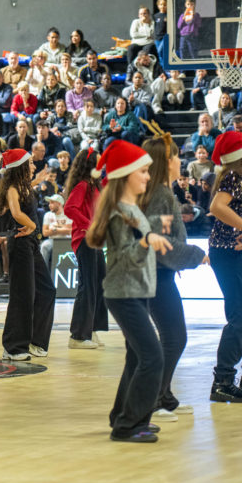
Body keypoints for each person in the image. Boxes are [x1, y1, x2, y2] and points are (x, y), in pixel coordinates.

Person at [85, 139, 172, 443]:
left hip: (136, 292)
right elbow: (122, 256)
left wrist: (154, 233)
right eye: (144, 172)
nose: (148, 177)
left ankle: (123, 416)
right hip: (123, 294)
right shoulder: (119, 214)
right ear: (126, 175)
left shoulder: (131, 209)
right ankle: (129, 426)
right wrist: (147, 242)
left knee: (137, 357)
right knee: (153, 357)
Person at [138, 133, 206, 422]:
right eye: (177, 156)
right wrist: (194, 254)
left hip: (153, 274)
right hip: (155, 275)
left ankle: (163, 395)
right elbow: (161, 243)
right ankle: (154, 399)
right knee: (174, 338)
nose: (181, 160)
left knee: (170, 337)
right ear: (165, 162)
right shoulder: (162, 195)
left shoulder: (158, 192)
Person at [207, 131, 242, 402]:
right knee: (241, 316)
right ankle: (223, 381)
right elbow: (217, 206)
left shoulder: (240, 177)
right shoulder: (235, 178)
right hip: (229, 254)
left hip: (240, 255)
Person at [0, 148, 56, 361]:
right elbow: (16, 212)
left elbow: (28, 189)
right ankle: (13, 347)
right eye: (30, 163)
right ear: (20, 167)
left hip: (31, 244)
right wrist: (32, 225)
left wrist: (38, 179)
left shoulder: (23, 186)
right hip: (20, 243)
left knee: (47, 290)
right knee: (23, 296)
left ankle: (35, 342)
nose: (33, 166)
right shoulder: (12, 188)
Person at [64, 148, 107, 349]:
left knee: (99, 284)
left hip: (95, 241)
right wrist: (88, 225)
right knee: (87, 285)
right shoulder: (82, 185)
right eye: (98, 163)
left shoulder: (95, 185)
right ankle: (78, 336)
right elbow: (69, 208)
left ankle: (92, 329)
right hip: (84, 240)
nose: (101, 166)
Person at [40, 194, 72, 272]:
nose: (49, 205)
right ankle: (44, 274)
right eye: (49, 203)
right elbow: (45, 233)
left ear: (59, 204)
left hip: (66, 240)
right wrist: (62, 228)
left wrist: (54, 229)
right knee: (44, 246)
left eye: (52, 203)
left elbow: (69, 231)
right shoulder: (47, 215)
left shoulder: (67, 213)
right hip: (52, 241)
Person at [153, 0, 168, 69]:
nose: (163, 6)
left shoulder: (168, 16)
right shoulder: (155, 16)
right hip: (157, 38)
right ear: (158, 5)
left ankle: (165, 67)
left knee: (161, 52)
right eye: (161, 4)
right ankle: (162, 68)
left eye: (165, 5)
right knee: (159, 55)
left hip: (165, 37)